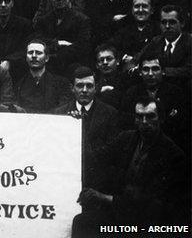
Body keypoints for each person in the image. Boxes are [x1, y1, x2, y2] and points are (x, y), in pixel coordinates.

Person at [74, 97, 188, 236]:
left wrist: (105, 198)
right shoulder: (126, 139)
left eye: (150, 116)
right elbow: (94, 158)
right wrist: (78, 125)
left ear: (161, 119)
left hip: (150, 224)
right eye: (140, 117)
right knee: (82, 222)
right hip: (120, 215)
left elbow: (155, 205)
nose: (144, 122)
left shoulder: (173, 155)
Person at [52, 66, 119, 186]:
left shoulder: (110, 113)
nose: (84, 90)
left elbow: (111, 150)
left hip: (98, 180)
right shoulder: (60, 114)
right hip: (66, 178)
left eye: (89, 86)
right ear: (72, 88)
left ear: (96, 88)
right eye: (79, 86)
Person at [15, 39, 73, 113]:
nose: (34, 56)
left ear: (47, 58)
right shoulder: (19, 85)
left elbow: (63, 110)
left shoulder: (61, 84)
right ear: (26, 58)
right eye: (30, 52)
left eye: (38, 53)